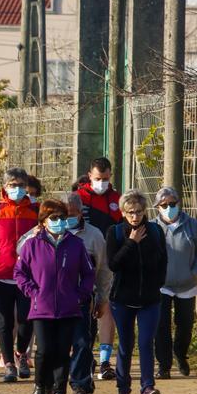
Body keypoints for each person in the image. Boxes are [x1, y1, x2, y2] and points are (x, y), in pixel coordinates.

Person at [14, 200, 96, 394]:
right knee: (44, 351)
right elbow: (19, 272)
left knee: (62, 352)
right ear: (43, 221)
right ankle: (41, 387)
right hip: (41, 308)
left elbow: (88, 273)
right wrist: (33, 291)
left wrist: (80, 295)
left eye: (62, 217)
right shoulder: (32, 244)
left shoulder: (75, 244)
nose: (59, 221)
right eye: (54, 218)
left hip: (68, 308)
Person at [106, 189, 168, 394]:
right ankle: (123, 389)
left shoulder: (156, 231)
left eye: (139, 212)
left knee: (145, 343)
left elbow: (163, 262)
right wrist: (131, 243)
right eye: (131, 212)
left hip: (149, 300)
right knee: (125, 344)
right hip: (122, 299)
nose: (135, 216)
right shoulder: (114, 233)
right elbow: (113, 264)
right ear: (123, 212)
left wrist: (156, 285)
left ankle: (147, 387)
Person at [0, 168, 39, 382]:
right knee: (4, 320)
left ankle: (21, 354)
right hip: (1, 274)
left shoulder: (35, 210)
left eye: (21, 185)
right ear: (4, 187)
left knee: (26, 318)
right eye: (13, 185)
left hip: (28, 275)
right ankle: (9, 364)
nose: (17, 189)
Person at [74, 157, 122, 380]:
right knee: (83, 312)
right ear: (89, 176)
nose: (101, 183)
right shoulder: (79, 198)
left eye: (105, 179)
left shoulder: (117, 199)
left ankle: (104, 360)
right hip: (83, 262)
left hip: (111, 261)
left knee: (106, 308)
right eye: (97, 179)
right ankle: (84, 356)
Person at [154, 186, 197, 379]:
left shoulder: (192, 224)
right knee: (161, 325)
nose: (169, 208)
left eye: (172, 204)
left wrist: (195, 271)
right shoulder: (153, 227)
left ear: (179, 204)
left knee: (185, 324)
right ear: (158, 207)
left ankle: (180, 353)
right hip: (162, 286)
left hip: (187, 284)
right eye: (164, 205)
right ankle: (164, 365)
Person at [64, 193, 112, 394]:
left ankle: (81, 387)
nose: (67, 219)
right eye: (63, 214)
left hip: (84, 298)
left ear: (80, 212)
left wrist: (102, 298)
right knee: (55, 346)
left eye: (72, 214)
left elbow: (103, 270)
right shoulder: (46, 232)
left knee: (83, 343)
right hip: (54, 299)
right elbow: (23, 250)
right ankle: (50, 385)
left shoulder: (93, 236)